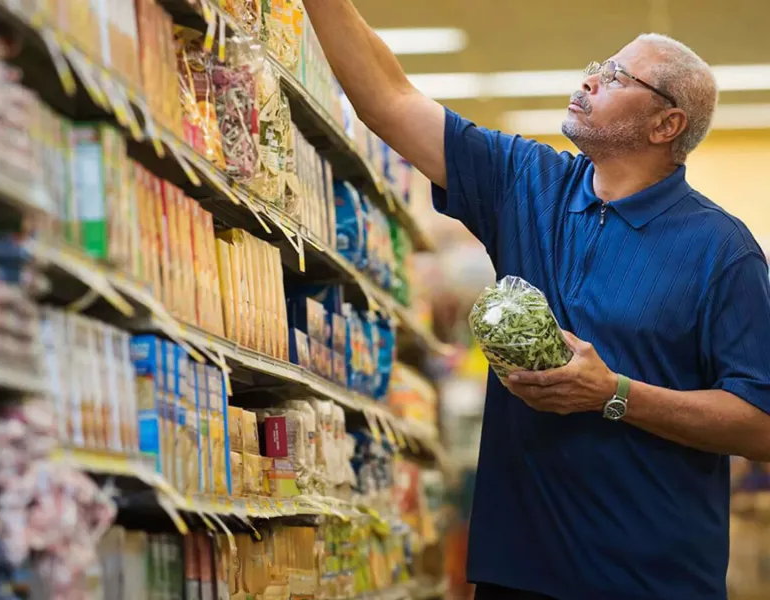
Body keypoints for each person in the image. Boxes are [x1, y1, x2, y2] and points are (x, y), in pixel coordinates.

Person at [300, 2, 770, 599]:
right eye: (599, 65)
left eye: (617, 77)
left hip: (652, 580)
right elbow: (388, 100)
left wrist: (615, 394)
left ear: (666, 125)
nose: (589, 80)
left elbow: (762, 426)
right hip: (514, 573)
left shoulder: (722, 251)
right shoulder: (527, 181)